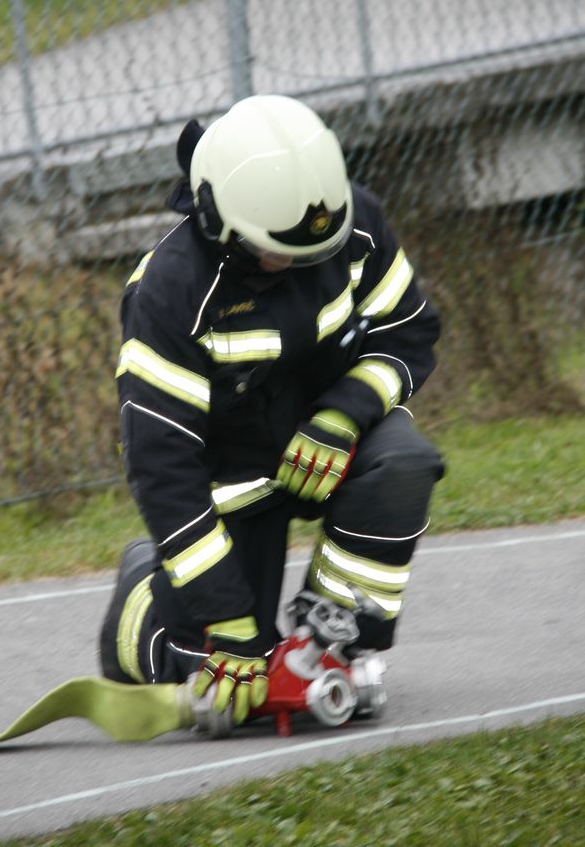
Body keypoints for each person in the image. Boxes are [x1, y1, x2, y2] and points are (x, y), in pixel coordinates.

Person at [100, 94, 444, 725]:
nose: (303, 265)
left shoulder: (349, 222)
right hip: (230, 485)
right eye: (278, 251)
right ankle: (141, 605)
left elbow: (407, 332)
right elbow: (163, 468)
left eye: (316, 250)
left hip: (332, 445)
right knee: (225, 682)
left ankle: (330, 643)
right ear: (217, 219)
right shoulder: (169, 293)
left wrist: (344, 415)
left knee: (402, 466)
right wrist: (228, 621)